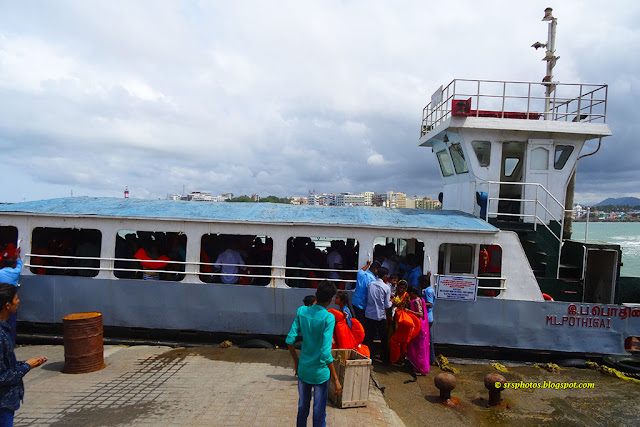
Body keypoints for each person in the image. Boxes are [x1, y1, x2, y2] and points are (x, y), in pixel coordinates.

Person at [286, 281, 342, 427]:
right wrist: (336, 379)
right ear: (331, 300)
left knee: (302, 408)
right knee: (319, 412)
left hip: (304, 369)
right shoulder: (328, 318)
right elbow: (325, 352)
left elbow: (290, 340)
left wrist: (296, 361)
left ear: (316, 294)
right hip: (320, 373)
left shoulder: (302, 311)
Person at [0, 284, 47, 426]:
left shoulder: (4, 330)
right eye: (16, 299)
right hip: (3, 403)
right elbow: (2, 377)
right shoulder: (1, 335)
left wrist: (25, 363)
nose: (18, 301)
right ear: (7, 305)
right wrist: (26, 366)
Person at [364, 267, 392, 363]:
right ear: (385, 276)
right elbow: (387, 305)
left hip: (369, 314)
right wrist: (392, 301)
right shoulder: (386, 288)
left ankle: (368, 356)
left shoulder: (370, 284)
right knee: (383, 338)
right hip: (380, 316)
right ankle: (385, 359)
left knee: (369, 337)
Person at [405, 285, 430, 375]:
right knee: (416, 346)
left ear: (412, 293)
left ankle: (419, 368)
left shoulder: (416, 301)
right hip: (418, 324)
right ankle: (416, 366)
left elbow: (421, 314)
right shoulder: (419, 299)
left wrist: (409, 311)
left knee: (419, 348)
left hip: (419, 325)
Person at [0, 248, 22, 346]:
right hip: (10, 298)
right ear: (13, 265)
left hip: (2, 298)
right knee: (11, 323)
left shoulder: (0, 272)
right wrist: (17, 254)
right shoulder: (16, 271)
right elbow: (20, 262)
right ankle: (11, 343)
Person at [419, 274, 437, 365]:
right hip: (428, 317)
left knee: (427, 340)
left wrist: (418, 303)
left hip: (427, 318)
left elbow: (430, 304)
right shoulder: (428, 290)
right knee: (428, 339)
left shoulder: (428, 291)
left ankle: (430, 358)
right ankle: (431, 358)